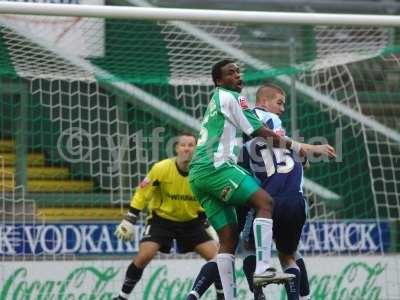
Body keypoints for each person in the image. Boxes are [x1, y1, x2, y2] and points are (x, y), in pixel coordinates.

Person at [188, 59, 335, 299]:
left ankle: (228, 295)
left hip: (198, 175)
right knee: (265, 205)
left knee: (228, 240)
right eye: (231, 72)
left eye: (238, 70)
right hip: (219, 168)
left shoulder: (219, 102)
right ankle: (263, 268)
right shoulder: (236, 99)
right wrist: (306, 148)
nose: (237, 74)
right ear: (218, 81)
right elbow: (263, 133)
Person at [113, 132, 223, 300]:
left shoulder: (201, 172)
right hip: (161, 221)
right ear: (176, 148)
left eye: (191, 145)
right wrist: (130, 218)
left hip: (191, 222)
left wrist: (208, 224)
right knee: (144, 256)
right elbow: (143, 193)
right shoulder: (161, 168)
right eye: (183, 145)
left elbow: (203, 202)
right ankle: (122, 297)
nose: (187, 149)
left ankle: (222, 297)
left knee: (219, 260)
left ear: (196, 149)